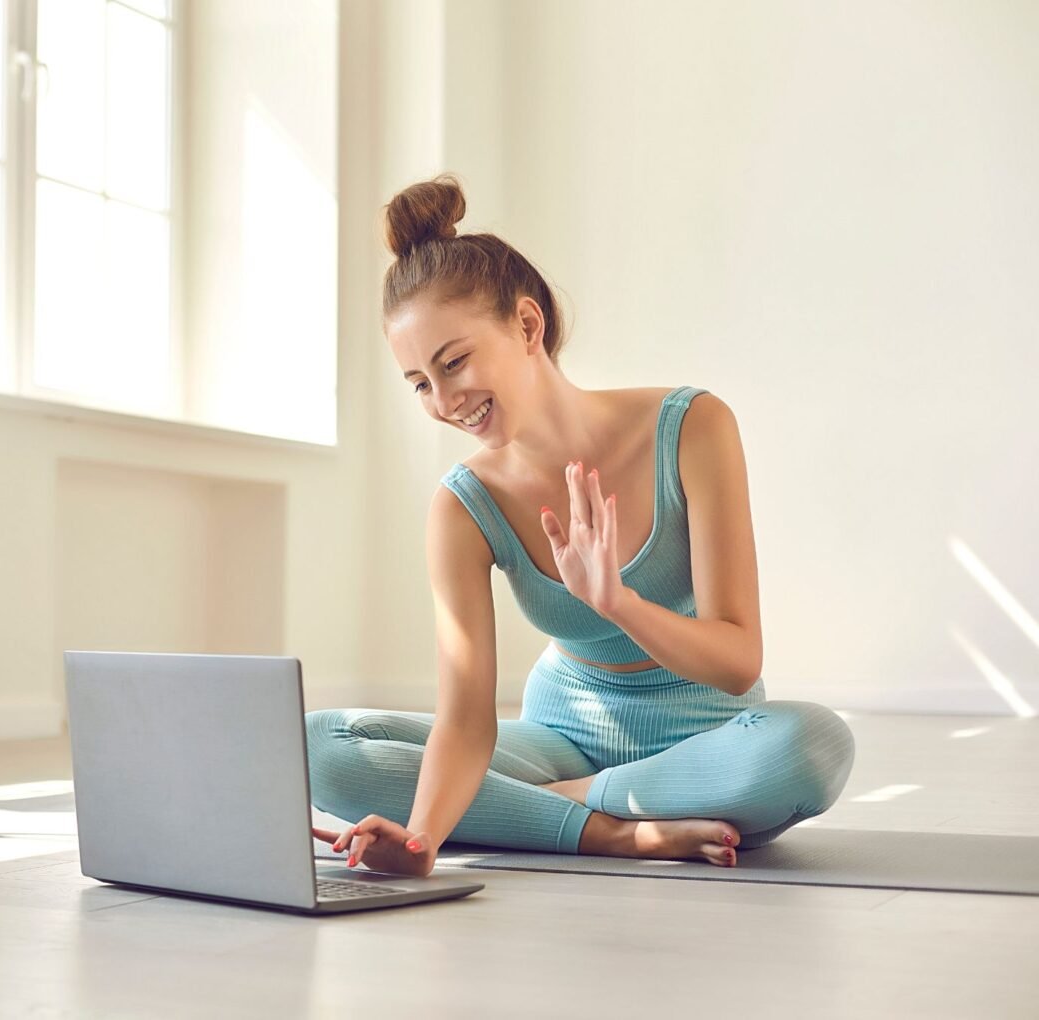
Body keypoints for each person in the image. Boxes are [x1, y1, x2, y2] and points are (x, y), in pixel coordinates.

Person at [307, 173, 855, 877]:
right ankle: (617, 831)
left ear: (528, 326)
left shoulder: (692, 428)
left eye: (454, 363)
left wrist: (618, 603)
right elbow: (467, 720)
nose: (445, 401)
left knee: (812, 747)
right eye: (419, 384)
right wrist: (421, 846)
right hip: (560, 734)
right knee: (320, 742)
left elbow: (738, 660)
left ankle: (543, 808)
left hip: (706, 736)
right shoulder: (462, 506)